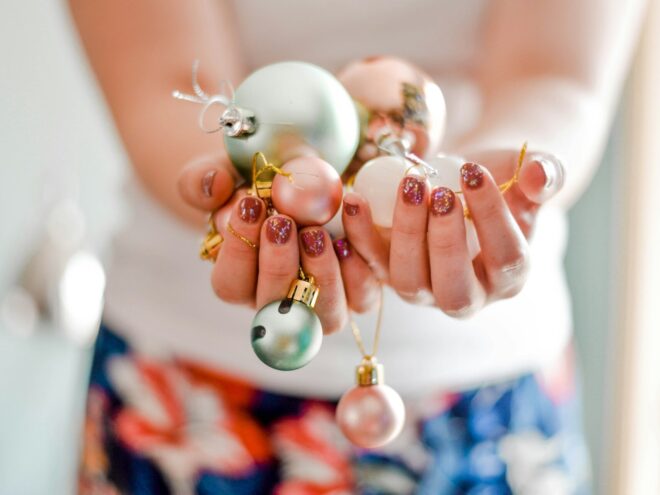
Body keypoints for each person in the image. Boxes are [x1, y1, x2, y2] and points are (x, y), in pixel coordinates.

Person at [69, 1, 645, 493]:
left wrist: (507, 181)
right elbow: (160, 76)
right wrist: (251, 201)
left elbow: (554, 75)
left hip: (491, 396)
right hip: (179, 383)